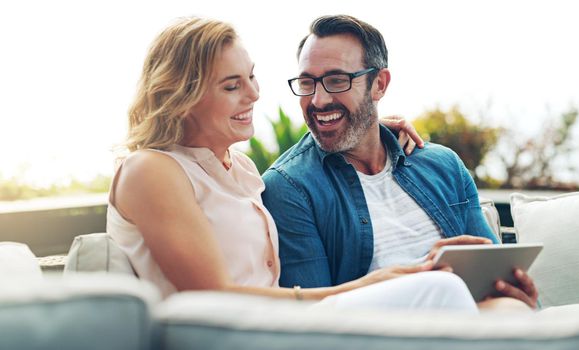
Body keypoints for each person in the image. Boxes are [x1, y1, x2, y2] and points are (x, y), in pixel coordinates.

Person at [107, 16, 499, 313]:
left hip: (278, 326)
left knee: (491, 303)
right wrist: (370, 284)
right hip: (233, 334)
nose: (254, 94)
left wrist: (372, 126)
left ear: (379, 84)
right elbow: (213, 298)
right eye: (232, 85)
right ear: (182, 94)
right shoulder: (151, 170)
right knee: (443, 289)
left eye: (252, 77)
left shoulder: (236, 170)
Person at [261, 14, 539, 308]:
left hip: (483, 320)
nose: (318, 100)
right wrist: (425, 274)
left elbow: (497, 272)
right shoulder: (289, 187)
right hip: (386, 335)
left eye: (336, 81)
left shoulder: (442, 165)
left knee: (515, 307)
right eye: (307, 83)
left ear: (379, 84)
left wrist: (518, 291)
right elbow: (313, 313)